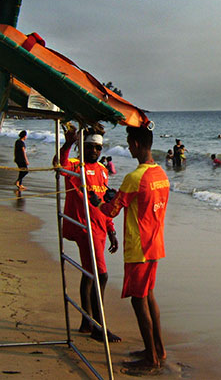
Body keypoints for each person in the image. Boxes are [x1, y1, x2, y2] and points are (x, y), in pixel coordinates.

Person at [92, 124, 169, 370]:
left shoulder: (134, 178)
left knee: (138, 300)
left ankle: (151, 359)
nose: (128, 146)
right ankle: (157, 349)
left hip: (139, 247)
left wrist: (99, 200)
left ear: (135, 144)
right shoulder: (161, 175)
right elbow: (139, 202)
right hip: (156, 244)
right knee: (149, 295)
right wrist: (116, 196)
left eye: (128, 142)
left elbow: (110, 210)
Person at [56, 124, 120, 342]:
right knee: (101, 275)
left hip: (101, 227)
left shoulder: (103, 170)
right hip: (85, 229)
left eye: (97, 148)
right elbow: (58, 163)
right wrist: (68, 142)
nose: (94, 151)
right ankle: (98, 327)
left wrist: (111, 229)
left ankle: (86, 321)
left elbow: (103, 202)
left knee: (88, 273)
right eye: (90, 147)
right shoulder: (75, 167)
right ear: (82, 146)